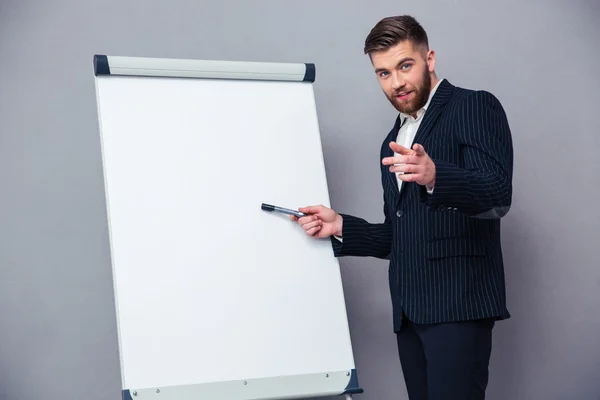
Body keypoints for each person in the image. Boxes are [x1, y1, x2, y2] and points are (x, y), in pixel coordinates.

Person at [291, 15, 513, 400]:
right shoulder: (391, 142)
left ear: (429, 59)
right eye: (383, 73)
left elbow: (497, 193)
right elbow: (400, 235)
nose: (396, 83)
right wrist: (340, 224)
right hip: (410, 312)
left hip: (459, 306)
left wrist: (435, 175)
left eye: (404, 66)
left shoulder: (474, 105)